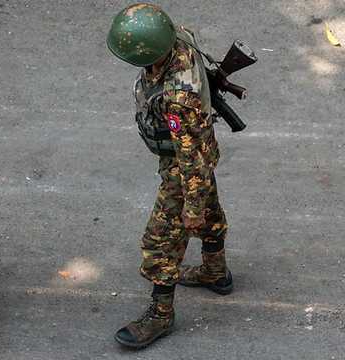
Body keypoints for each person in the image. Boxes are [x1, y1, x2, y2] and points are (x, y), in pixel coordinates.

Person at [106, 3, 233, 348]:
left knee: (160, 242)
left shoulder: (178, 100)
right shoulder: (177, 38)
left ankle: (160, 315)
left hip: (184, 165)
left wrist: (191, 206)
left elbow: (190, 161)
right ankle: (215, 271)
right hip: (197, 150)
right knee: (209, 206)